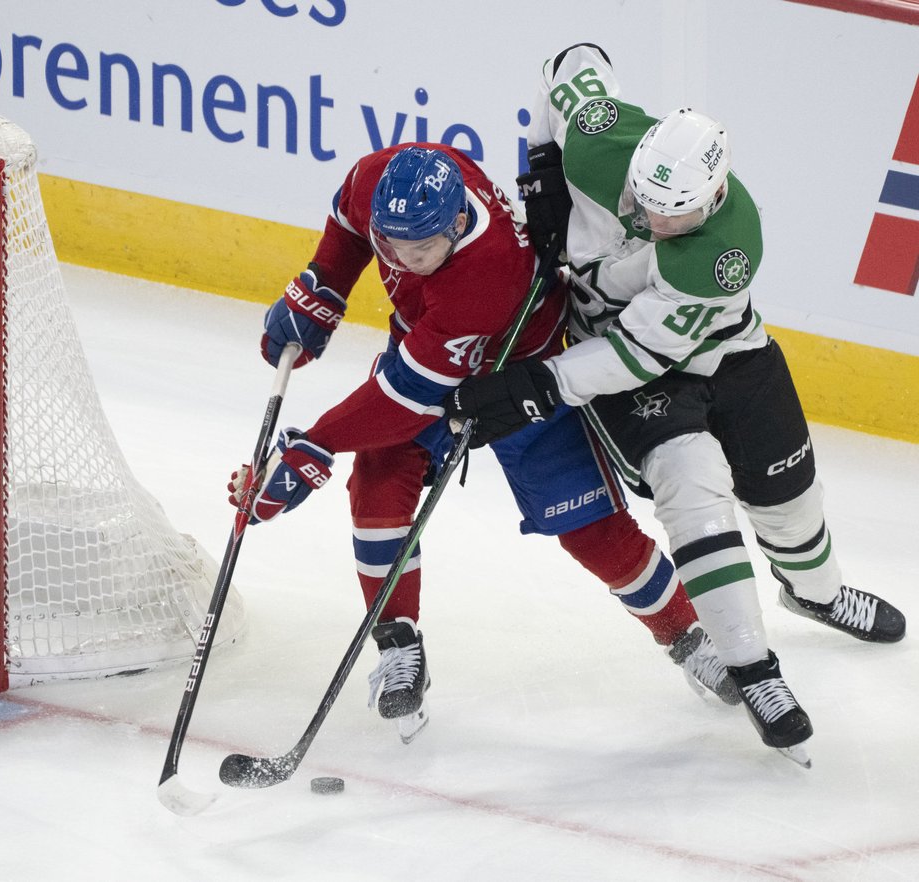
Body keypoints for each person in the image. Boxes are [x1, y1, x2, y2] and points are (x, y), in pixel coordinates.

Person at [444, 43, 905, 763]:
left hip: (718, 353)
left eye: (674, 215)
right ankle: (755, 670)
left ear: (714, 196)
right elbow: (571, 61)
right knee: (692, 485)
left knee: (789, 503)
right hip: (643, 385)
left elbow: (638, 351)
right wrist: (541, 168)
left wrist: (542, 387)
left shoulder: (721, 254)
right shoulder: (603, 142)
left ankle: (814, 593)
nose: (654, 222)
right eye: (645, 206)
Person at [234, 140, 739, 744]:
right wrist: (323, 284)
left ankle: (687, 636)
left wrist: (313, 446)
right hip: (427, 350)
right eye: (392, 244)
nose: (403, 257)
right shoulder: (382, 183)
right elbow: (347, 219)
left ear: (455, 223)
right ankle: (399, 644)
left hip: (524, 373)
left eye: (421, 248)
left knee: (589, 527)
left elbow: (406, 397)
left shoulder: (487, 271)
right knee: (377, 482)